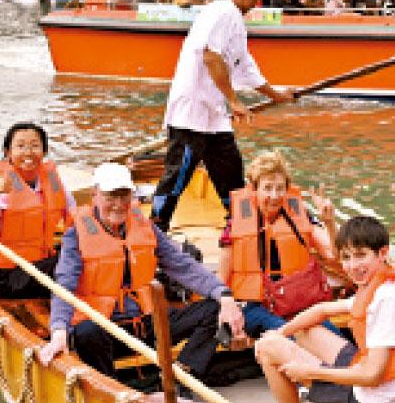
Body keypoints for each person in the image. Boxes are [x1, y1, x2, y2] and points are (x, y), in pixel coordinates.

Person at [39, 163, 245, 381]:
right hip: (107, 330)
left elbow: (183, 266)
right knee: (86, 332)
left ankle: (183, 376)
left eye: (124, 196)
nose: (119, 205)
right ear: (95, 195)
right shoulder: (76, 235)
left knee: (214, 308)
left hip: (146, 324)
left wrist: (224, 295)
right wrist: (59, 330)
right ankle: (111, 387)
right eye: (111, 197)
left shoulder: (145, 227)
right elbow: (64, 284)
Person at [254, 215, 395, 403]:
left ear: (382, 253)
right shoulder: (381, 280)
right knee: (305, 330)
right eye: (346, 257)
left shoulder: (386, 299)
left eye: (360, 256)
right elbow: (321, 310)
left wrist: (308, 372)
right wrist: (280, 333)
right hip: (376, 382)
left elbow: (372, 375)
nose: (352, 266)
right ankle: (308, 389)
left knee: (266, 349)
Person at [151, 0, 295, 231]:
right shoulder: (223, 11)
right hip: (192, 115)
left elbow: (246, 68)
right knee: (177, 178)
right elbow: (211, 56)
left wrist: (277, 95)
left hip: (214, 118)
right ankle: (155, 232)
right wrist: (235, 102)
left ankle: (241, 230)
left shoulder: (236, 22)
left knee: (231, 176)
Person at [218, 150, 339, 338]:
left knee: (335, 336)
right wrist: (226, 310)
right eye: (267, 188)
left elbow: (333, 255)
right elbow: (221, 279)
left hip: (295, 299)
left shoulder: (300, 216)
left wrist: (330, 223)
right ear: (254, 189)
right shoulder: (236, 225)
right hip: (255, 305)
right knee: (291, 336)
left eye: (280, 188)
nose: (274, 195)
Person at [0, 121, 76, 299]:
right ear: (7, 152)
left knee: (82, 257)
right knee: (69, 266)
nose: (28, 153)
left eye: (35, 146)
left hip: (43, 265)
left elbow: (75, 216)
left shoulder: (53, 181)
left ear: (44, 151)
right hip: (10, 276)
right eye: (20, 146)